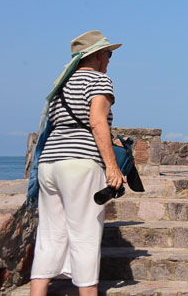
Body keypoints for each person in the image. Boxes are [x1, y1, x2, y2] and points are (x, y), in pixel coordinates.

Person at [30, 30, 124, 296]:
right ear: (96, 55)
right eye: (108, 53)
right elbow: (96, 122)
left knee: (49, 236)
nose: (110, 59)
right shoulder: (98, 81)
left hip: (49, 163)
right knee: (85, 235)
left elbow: (61, 124)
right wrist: (112, 166)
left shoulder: (60, 84)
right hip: (80, 164)